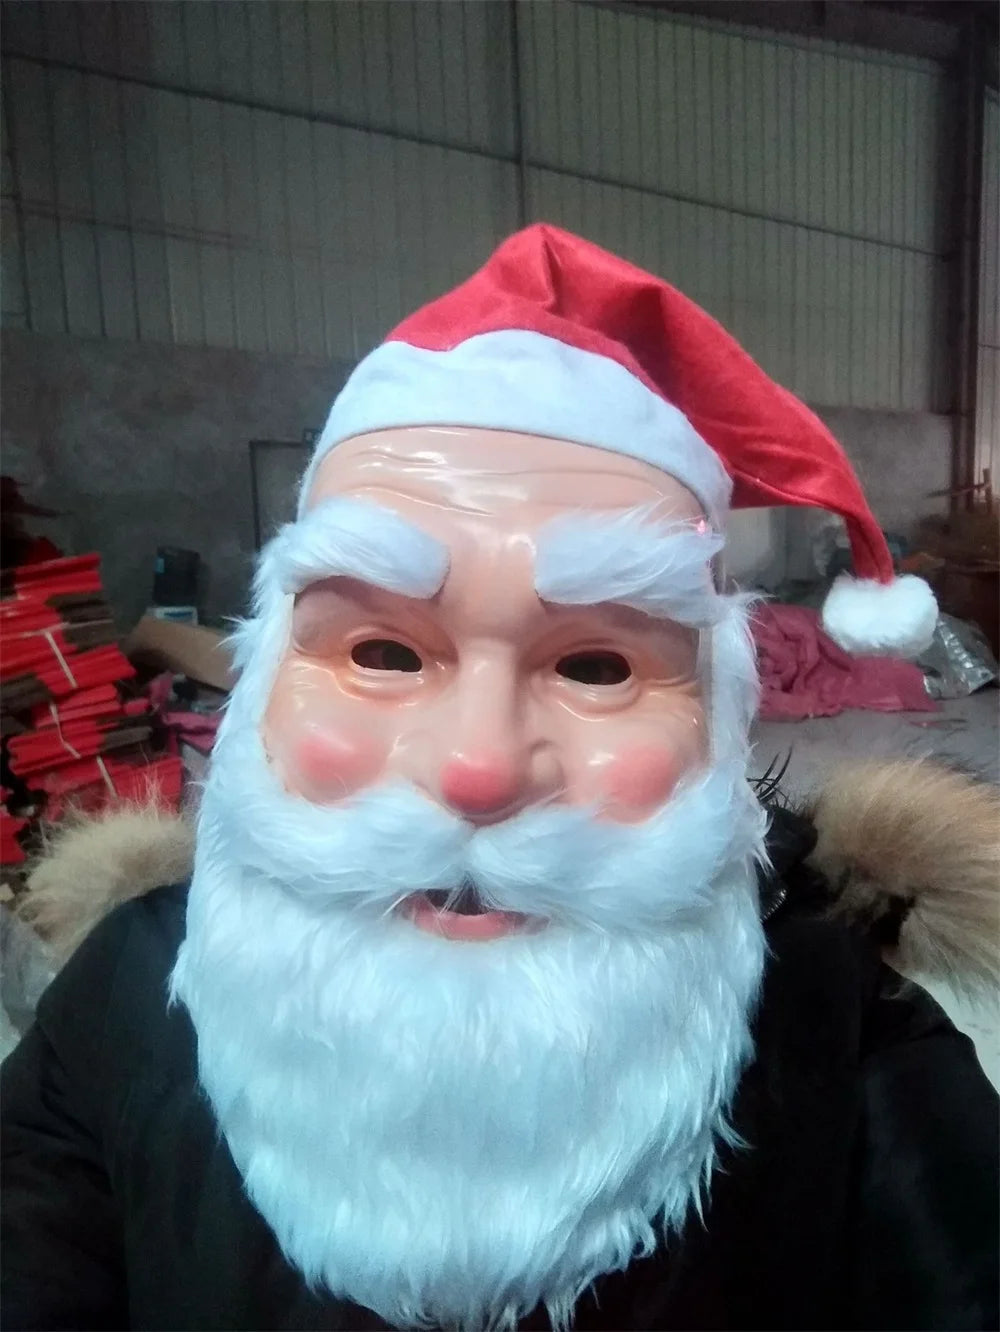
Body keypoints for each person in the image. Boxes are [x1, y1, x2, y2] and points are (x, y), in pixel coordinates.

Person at [2, 225, 997, 1332]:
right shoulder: (125, 995)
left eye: (596, 667)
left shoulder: (832, 1017)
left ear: (716, 717)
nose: (475, 770)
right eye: (383, 652)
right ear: (264, 684)